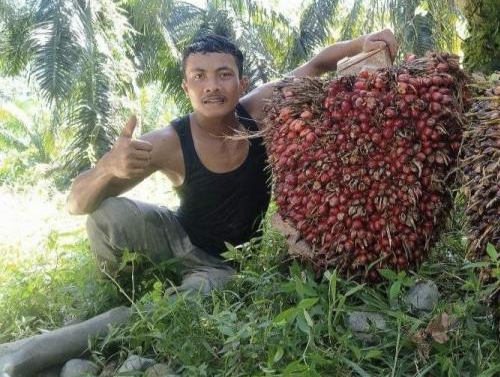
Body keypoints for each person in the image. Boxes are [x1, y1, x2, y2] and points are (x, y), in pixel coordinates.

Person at [0, 30, 398, 376]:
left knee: (176, 308)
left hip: (222, 265)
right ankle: (126, 287)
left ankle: (33, 352)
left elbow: (319, 63)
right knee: (106, 214)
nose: (213, 86)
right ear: (186, 86)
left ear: (241, 83)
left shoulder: (259, 109)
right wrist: (107, 168)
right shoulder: (169, 142)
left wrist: (366, 42)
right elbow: (76, 203)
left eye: (224, 74)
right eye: (200, 77)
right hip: (176, 237)